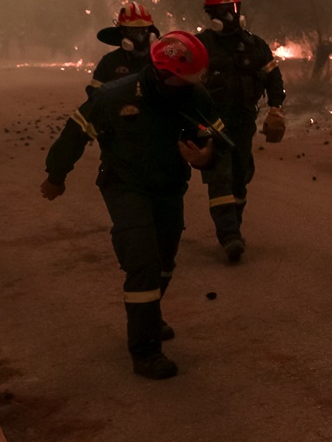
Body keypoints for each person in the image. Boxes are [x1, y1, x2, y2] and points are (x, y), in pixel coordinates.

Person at [41, 31, 224, 380]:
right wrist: (56, 175)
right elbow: (75, 133)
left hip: (169, 187)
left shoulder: (194, 96)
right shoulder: (113, 96)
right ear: (160, 72)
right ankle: (145, 352)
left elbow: (215, 140)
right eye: (182, 78)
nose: (188, 84)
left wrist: (206, 156)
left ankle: (150, 314)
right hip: (125, 187)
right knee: (143, 260)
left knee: (165, 261)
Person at [198, 0, 286, 262]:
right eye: (221, 10)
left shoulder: (254, 45)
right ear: (210, 14)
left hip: (243, 124)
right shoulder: (200, 46)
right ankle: (229, 236)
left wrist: (276, 109)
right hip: (212, 127)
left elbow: (274, 78)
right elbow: (184, 85)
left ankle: (233, 225)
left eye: (232, 9)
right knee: (219, 177)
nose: (228, 15)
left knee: (240, 177)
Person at [89, 1, 158, 94]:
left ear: (151, 32)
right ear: (122, 32)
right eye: (132, 31)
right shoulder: (109, 62)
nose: (139, 36)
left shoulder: (160, 61)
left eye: (143, 30)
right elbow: (95, 96)